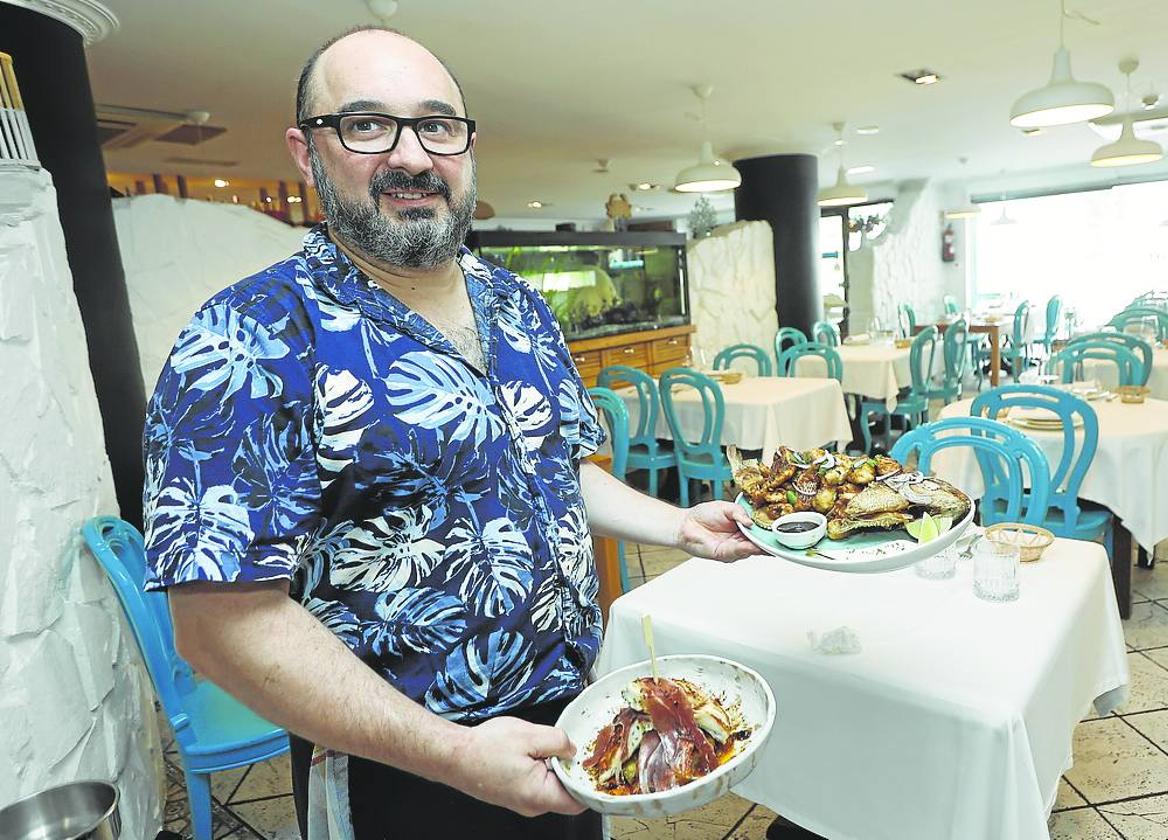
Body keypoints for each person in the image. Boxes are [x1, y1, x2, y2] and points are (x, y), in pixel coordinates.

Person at [142, 25, 756, 840]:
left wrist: (678, 523)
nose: (412, 155)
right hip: (399, 768)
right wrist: (453, 755)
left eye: (437, 125)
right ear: (306, 150)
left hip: (577, 724)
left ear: (467, 146)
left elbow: (555, 468)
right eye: (366, 125)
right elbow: (218, 626)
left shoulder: (518, 304)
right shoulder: (248, 335)